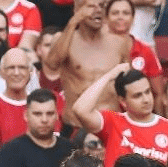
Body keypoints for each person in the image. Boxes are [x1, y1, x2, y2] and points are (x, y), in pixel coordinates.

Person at [74, 64, 168, 167]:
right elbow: (80, 110)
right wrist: (110, 75)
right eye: (137, 95)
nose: (146, 99)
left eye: (147, 92)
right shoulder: (112, 122)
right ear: (123, 101)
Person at [44, 0, 130, 130]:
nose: (98, 10)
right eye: (91, 6)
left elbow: (129, 83)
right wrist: (73, 22)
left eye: (101, 6)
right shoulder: (64, 40)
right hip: (76, 126)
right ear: (77, 10)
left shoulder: (119, 42)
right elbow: (52, 64)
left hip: (110, 125)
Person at [0, 48, 40, 154]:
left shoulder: (42, 105)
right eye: (11, 68)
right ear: (2, 73)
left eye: (22, 68)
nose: (16, 73)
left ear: (30, 72)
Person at [105, 0, 165, 110]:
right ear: (106, 18)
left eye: (126, 13)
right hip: (104, 118)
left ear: (133, 19)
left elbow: (158, 93)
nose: (120, 17)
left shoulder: (145, 51)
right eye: (115, 13)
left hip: (138, 119)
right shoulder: (98, 50)